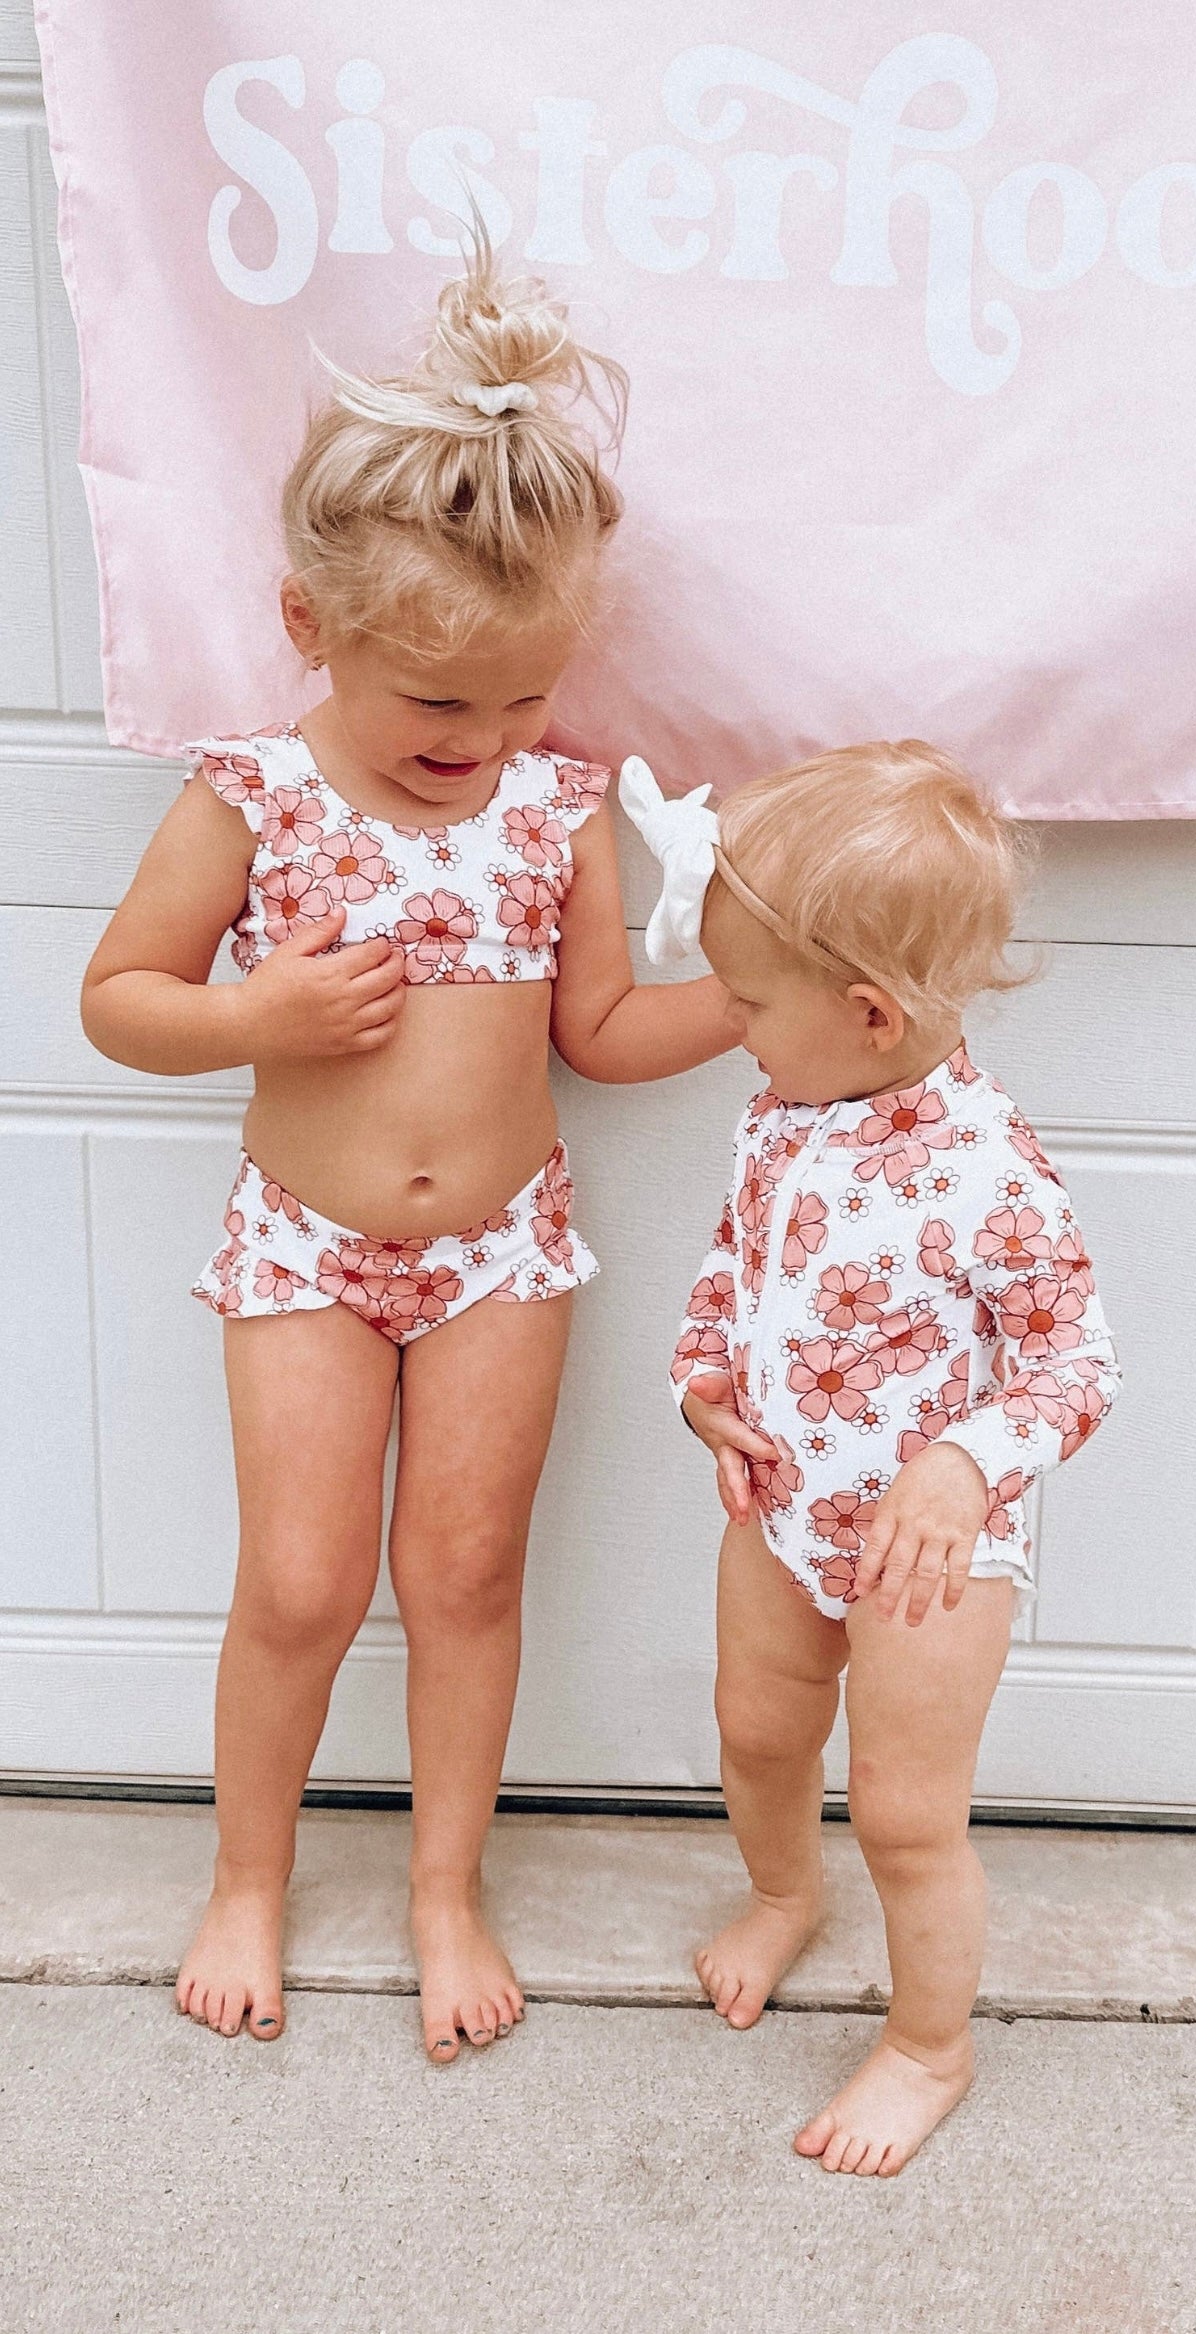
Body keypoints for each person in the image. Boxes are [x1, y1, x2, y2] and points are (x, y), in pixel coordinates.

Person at [80, 245, 734, 2059]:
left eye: (522, 697)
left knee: (465, 1579)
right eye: (441, 703)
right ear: (311, 624)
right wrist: (255, 1016)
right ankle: (248, 1874)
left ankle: (448, 1886)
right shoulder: (253, 794)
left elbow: (598, 1034)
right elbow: (119, 996)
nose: (485, 739)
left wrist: (750, 1002)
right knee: (300, 1584)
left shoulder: (558, 804)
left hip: (502, 1251)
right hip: (305, 1241)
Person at [621, 743, 1120, 2176]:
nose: (728, 1022)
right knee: (757, 1728)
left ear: (866, 1012)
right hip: (781, 1512)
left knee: (906, 1817)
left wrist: (964, 1464)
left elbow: (1077, 1363)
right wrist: (702, 1382)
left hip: (928, 1555)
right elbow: (736, 1264)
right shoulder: (780, 1115)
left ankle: (927, 2045)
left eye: (746, 999)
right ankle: (786, 1894)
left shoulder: (989, 1166)